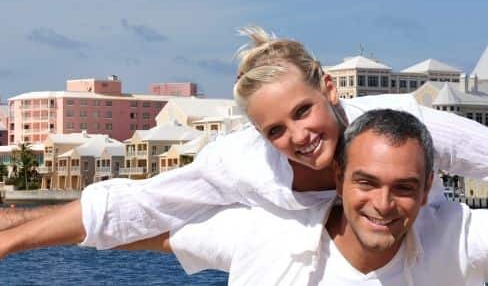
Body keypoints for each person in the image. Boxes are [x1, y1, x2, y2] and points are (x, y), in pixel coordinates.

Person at [0, 27, 488, 284]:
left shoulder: (397, 131)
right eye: (276, 129)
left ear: (329, 88)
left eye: (303, 112)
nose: (298, 137)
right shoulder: (245, 165)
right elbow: (140, 208)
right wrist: (1, 238)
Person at [122, 109, 488, 285]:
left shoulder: (457, 240)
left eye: (404, 187)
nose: (383, 203)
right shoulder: (269, 234)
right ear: (340, 178)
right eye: (366, 182)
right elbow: (139, 227)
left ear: (426, 190)